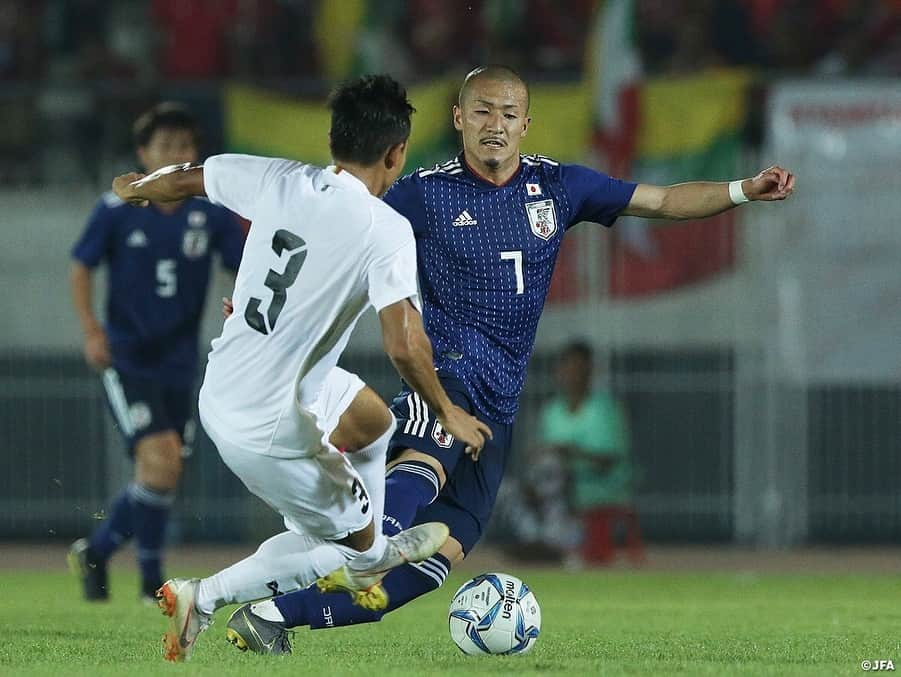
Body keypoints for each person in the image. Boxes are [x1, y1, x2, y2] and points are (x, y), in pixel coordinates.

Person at [223, 64, 796, 652]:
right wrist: (266, 301)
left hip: (501, 396)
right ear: (459, 119)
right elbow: (332, 220)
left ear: (526, 122)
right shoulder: (422, 191)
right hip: (445, 374)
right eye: (482, 111)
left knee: (443, 553)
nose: (495, 124)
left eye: (507, 113)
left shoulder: (559, 187)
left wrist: (742, 191)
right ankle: (366, 545)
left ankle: (271, 615)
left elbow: (665, 200)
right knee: (419, 473)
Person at [109, 74, 492, 662]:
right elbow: (404, 345)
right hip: (269, 424)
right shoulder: (385, 228)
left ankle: (356, 519)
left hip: (230, 384)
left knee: (373, 422)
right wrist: (448, 413)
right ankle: (206, 596)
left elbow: (187, 177)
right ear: (396, 153)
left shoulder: (279, 178)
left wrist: (136, 187)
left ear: (335, 138)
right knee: (353, 556)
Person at [68, 103, 246, 603]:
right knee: (160, 460)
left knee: (165, 468)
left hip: (180, 359)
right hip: (127, 356)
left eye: (183, 147)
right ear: (144, 154)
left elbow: (243, 267)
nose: (174, 155)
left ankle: (98, 550)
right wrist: (91, 329)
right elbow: (81, 266)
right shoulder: (115, 209)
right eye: (164, 147)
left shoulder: (208, 212)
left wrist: (247, 307)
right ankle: (151, 583)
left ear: (196, 154)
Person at [537, 340, 638, 566]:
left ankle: (556, 543)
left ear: (590, 371)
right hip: (557, 492)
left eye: (578, 368)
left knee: (553, 469)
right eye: (567, 367)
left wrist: (571, 453)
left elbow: (608, 461)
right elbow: (541, 455)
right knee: (512, 491)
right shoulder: (552, 411)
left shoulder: (605, 409)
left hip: (599, 490)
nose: (572, 374)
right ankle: (549, 540)